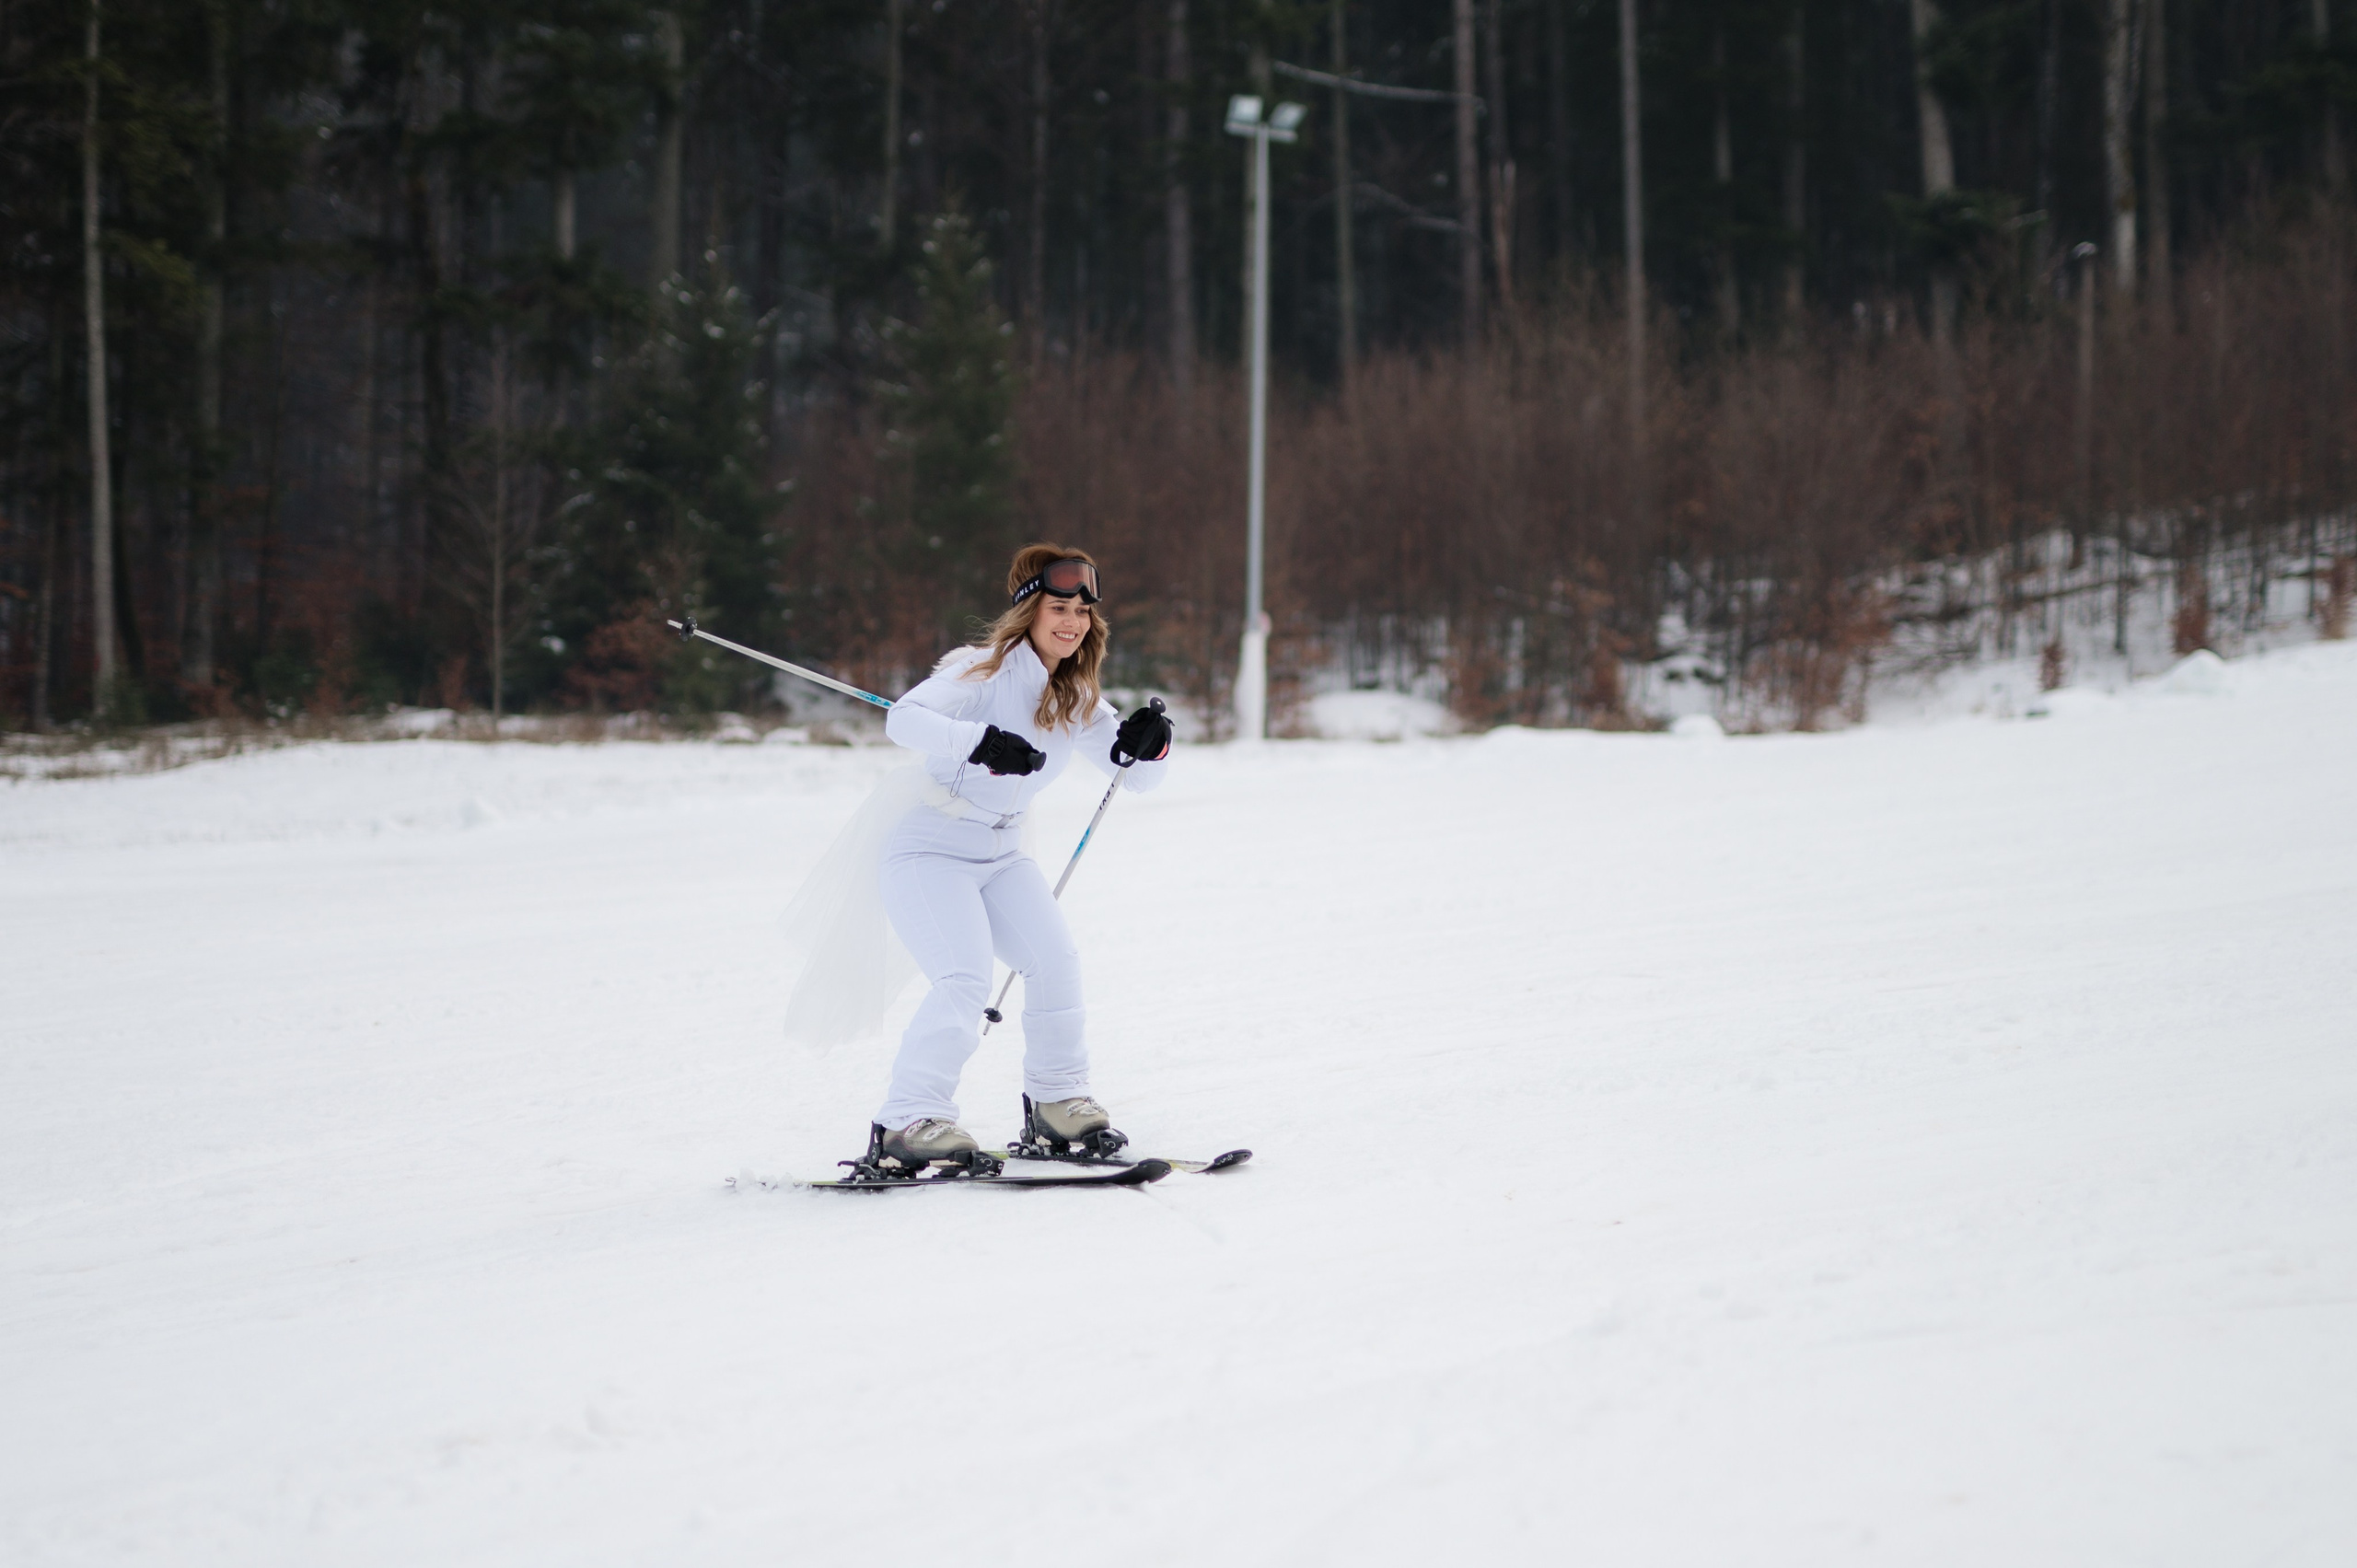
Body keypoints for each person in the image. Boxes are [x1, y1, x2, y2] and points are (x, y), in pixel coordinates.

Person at [862, 543, 1174, 1173]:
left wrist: (1152, 745)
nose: (1072, 622)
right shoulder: (981, 670)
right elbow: (904, 719)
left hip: (1002, 852)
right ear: (1030, 611)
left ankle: (1057, 1102)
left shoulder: (1075, 693)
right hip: (930, 847)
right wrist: (977, 741)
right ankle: (908, 1119)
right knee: (964, 977)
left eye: (1082, 612)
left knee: (1054, 962)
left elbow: (1136, 777)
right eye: (1058, 608)